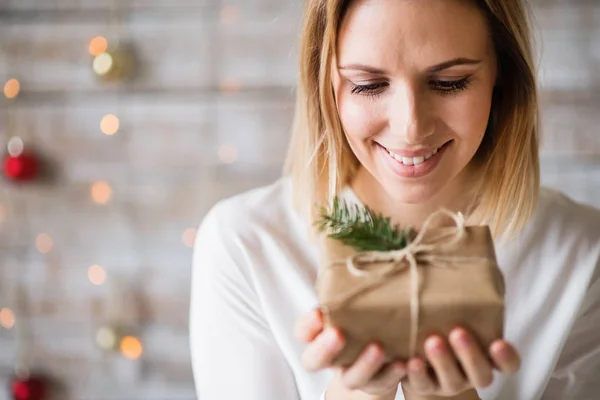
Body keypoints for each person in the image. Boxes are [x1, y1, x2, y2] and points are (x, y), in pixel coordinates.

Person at [189, 0, 600, 398]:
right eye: (369, 85)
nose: (410, 127)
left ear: (502, 74)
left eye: (449, 82)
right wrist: (357, 394)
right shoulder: (246, 242)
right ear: (326, 83)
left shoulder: (583, 253)